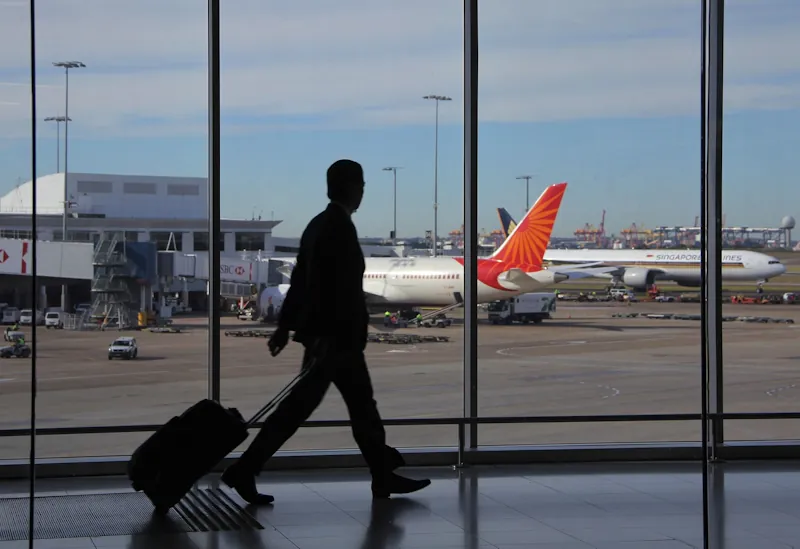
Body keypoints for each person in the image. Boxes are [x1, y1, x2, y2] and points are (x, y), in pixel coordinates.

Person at [222, 159, 431, 505]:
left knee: (317, 409)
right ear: (350, 187)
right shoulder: (339, 227)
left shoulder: (318, 225)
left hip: (325, 338)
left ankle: (380, 476)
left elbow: (301, 282)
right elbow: (336, 290)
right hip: (337, 341)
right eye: (361, 184)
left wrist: (285, 328)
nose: (364, 191)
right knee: (354, 409)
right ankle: (380, 477)